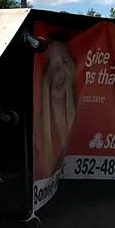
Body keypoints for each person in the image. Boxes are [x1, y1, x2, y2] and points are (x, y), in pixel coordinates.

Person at [35, 38, 77, 179]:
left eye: (64, 62)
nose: (60, 73)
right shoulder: (37, 128)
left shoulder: (84, 117)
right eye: (53, 66)